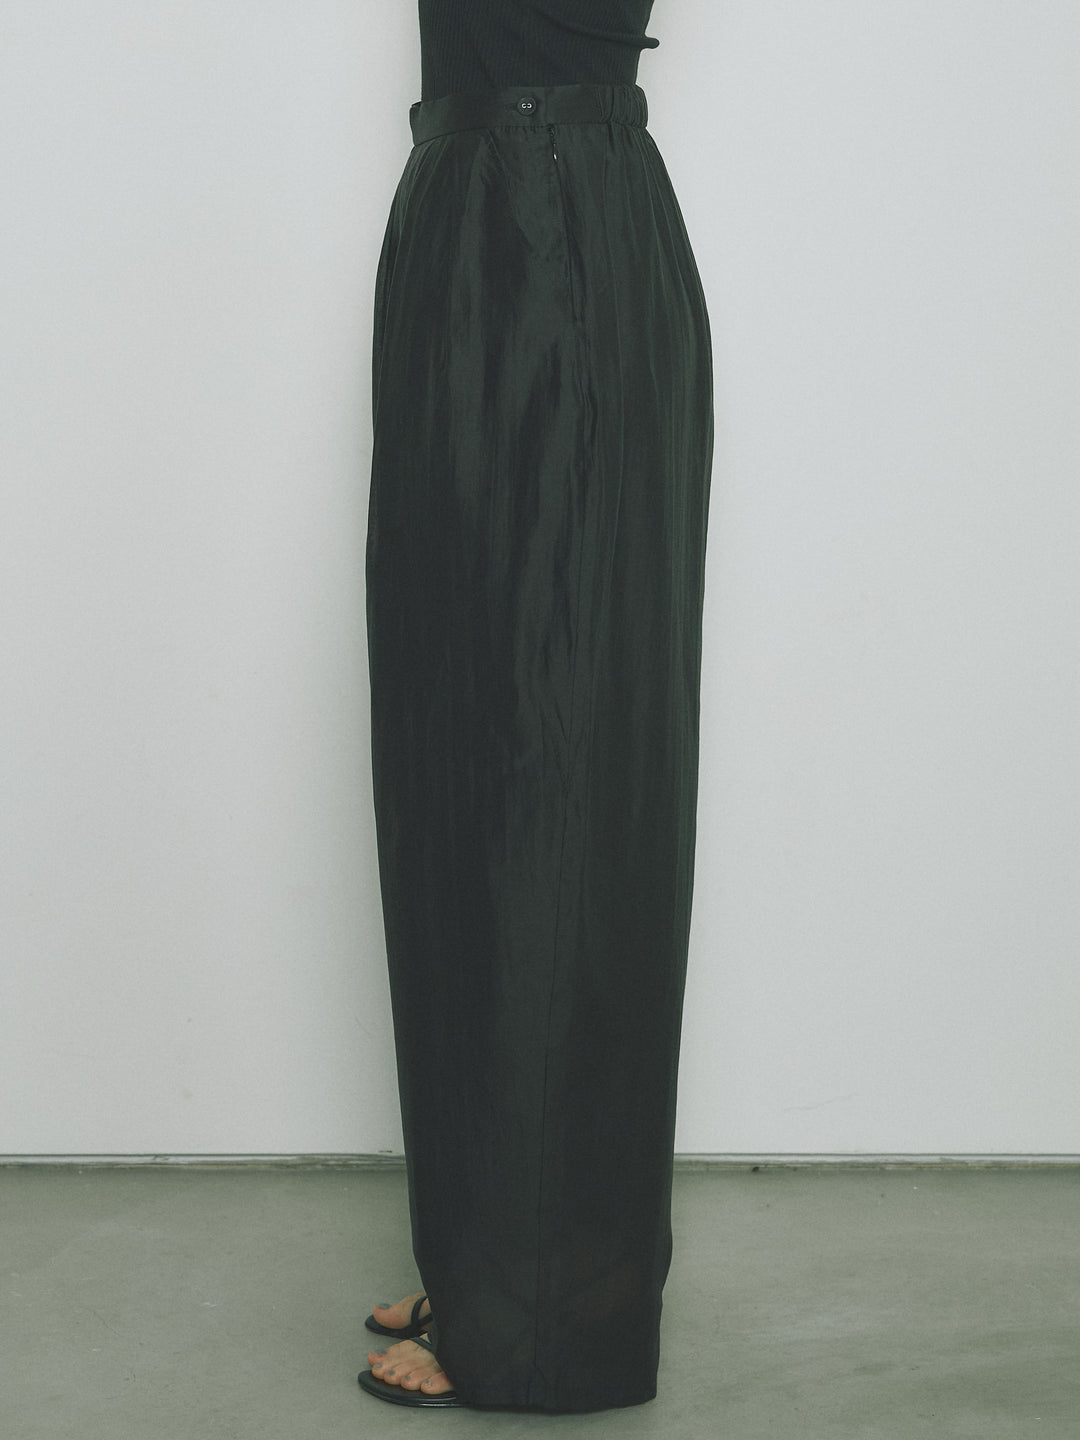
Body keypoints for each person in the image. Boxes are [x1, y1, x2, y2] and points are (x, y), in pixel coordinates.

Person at [358, 0, 713, 1413]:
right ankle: (490, 1254)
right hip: (485, 213)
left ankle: (547, 1313)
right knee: (460, 754)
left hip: (542, 225)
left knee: (550, 765)